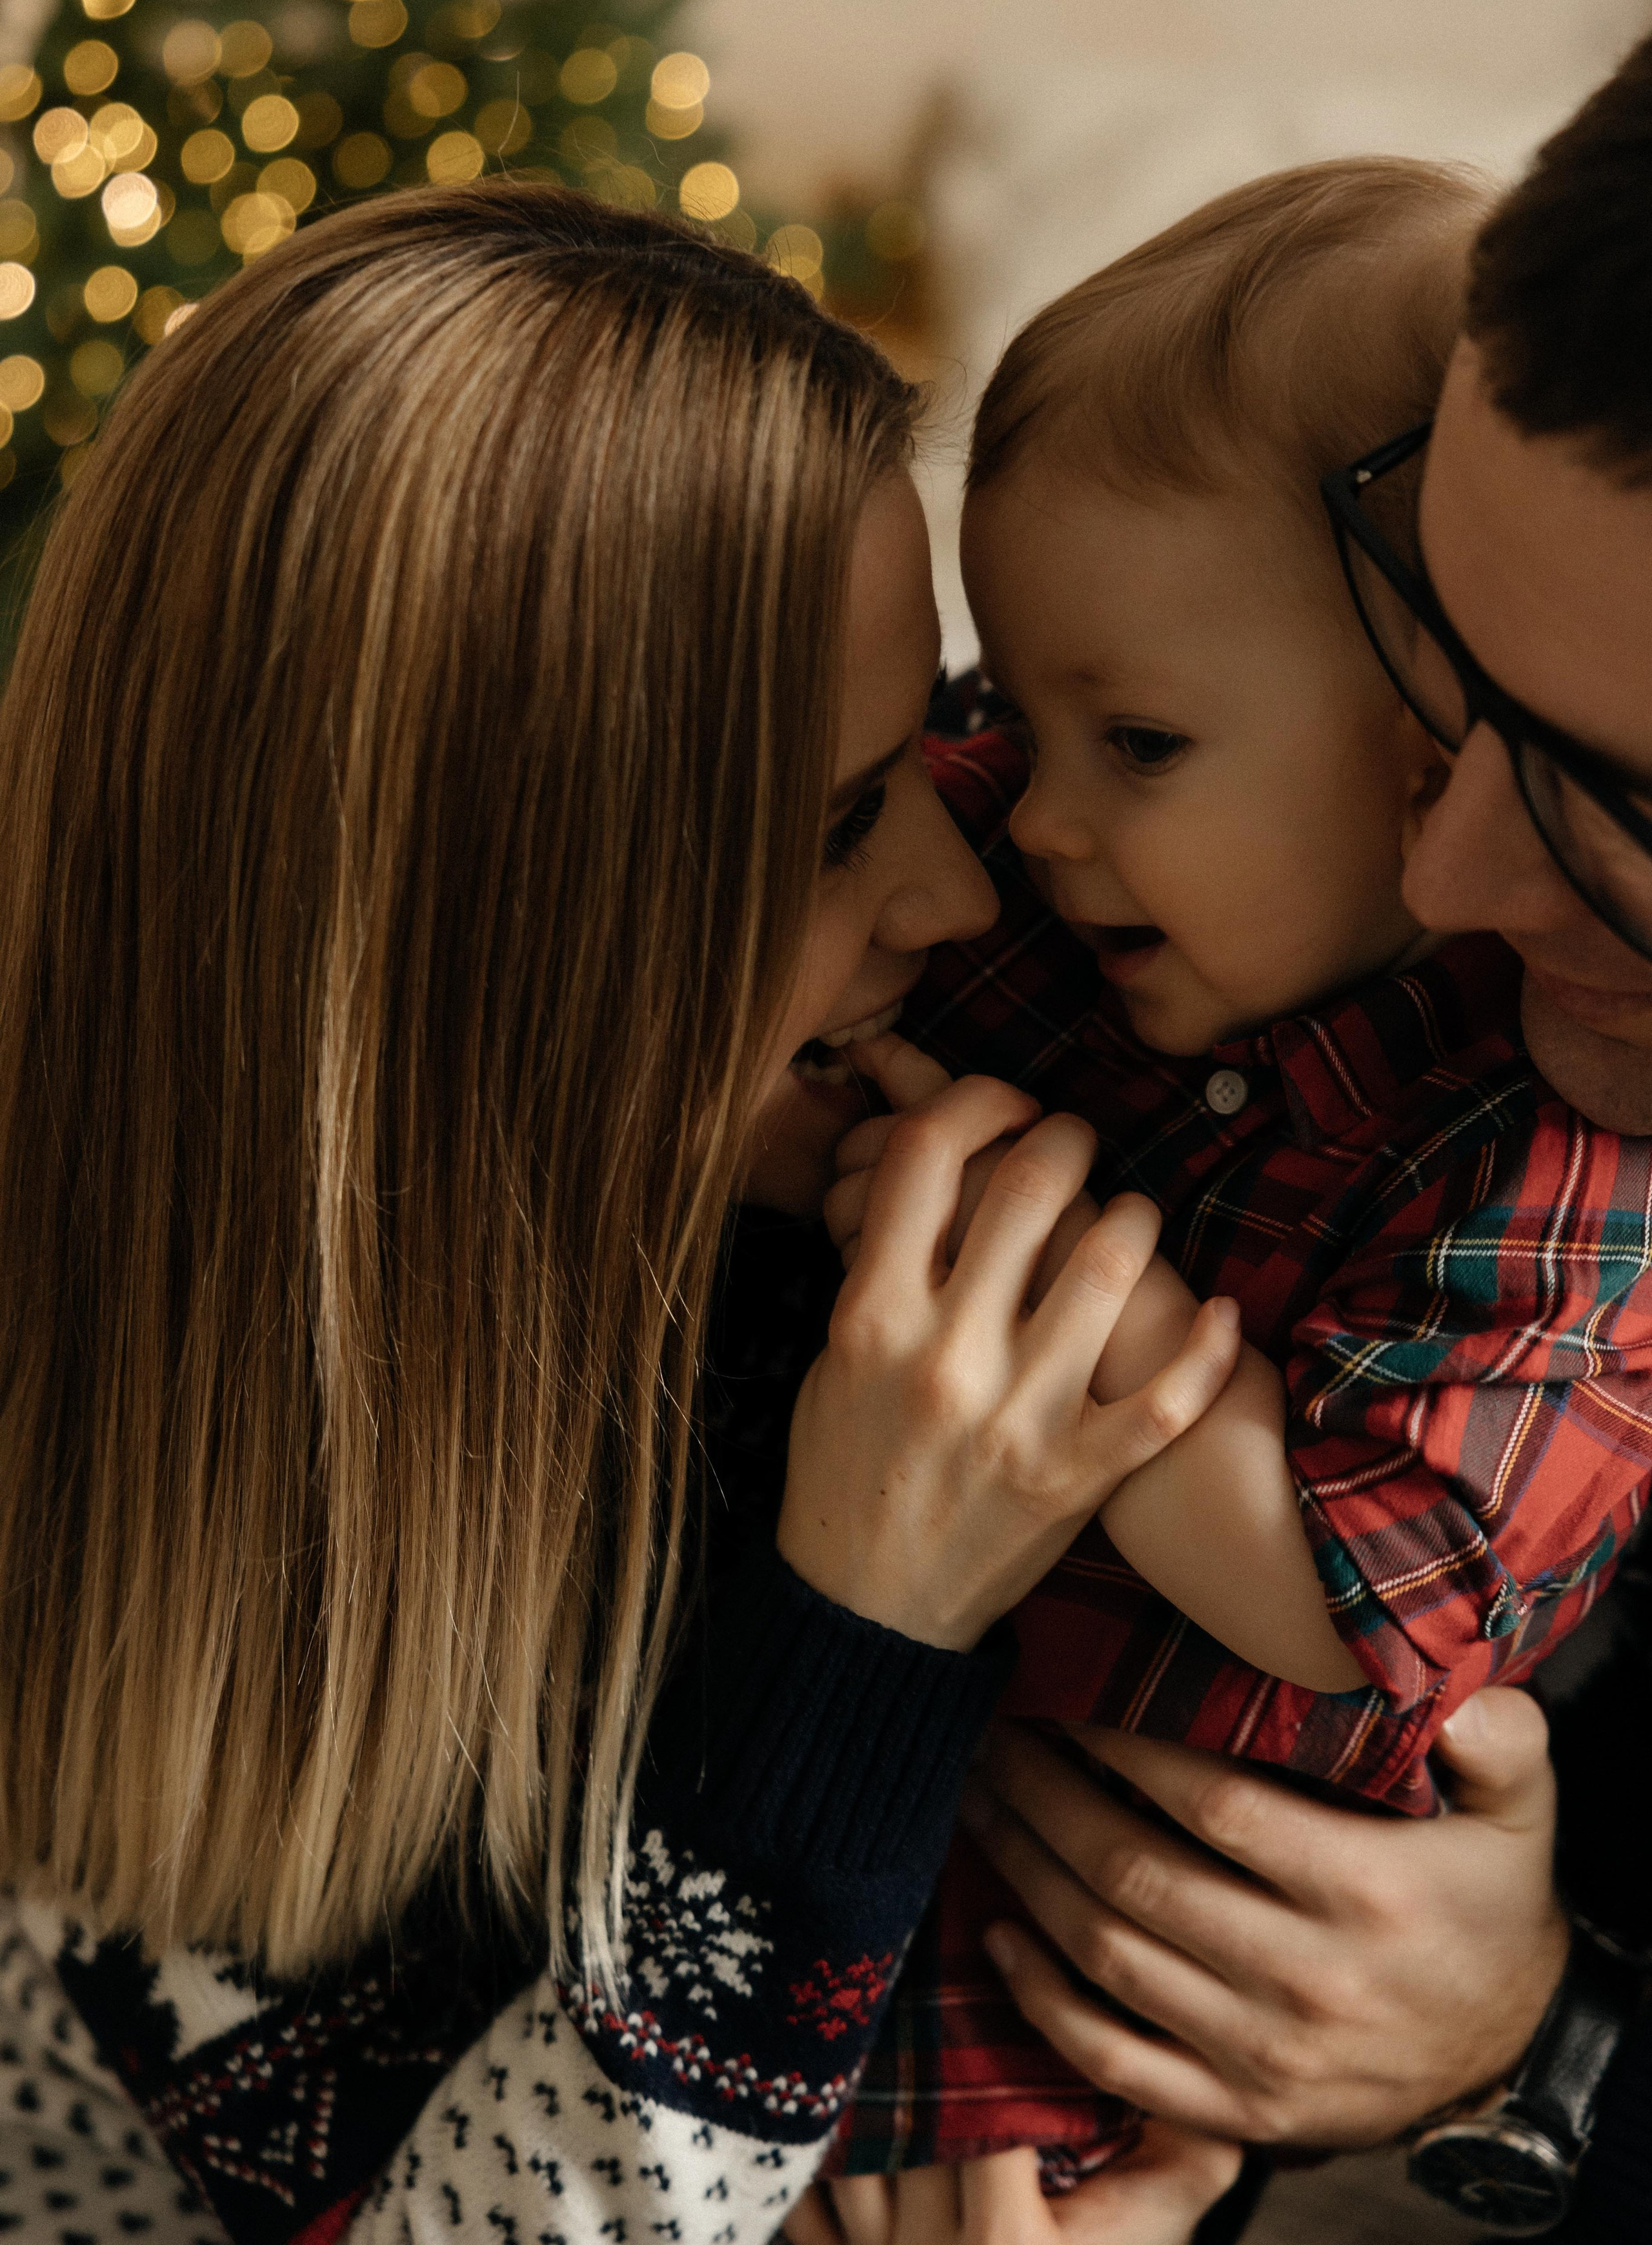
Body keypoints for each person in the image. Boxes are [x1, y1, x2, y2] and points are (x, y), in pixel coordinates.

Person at [0, 183, 1246, 2242]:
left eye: (939, 734)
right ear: (482, 955)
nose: (961, 890)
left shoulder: (926, 1158)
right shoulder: (141, 1538)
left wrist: (1512, 2035)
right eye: (845, 824)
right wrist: (870, 1625)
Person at [812, 159, 1652, 2204]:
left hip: (1089, 2020)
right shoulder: (1062, 866)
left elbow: (1377, 1591)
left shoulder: (1562, 1191)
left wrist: (1549, 2045)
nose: (1454, 875)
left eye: (1582, 782)